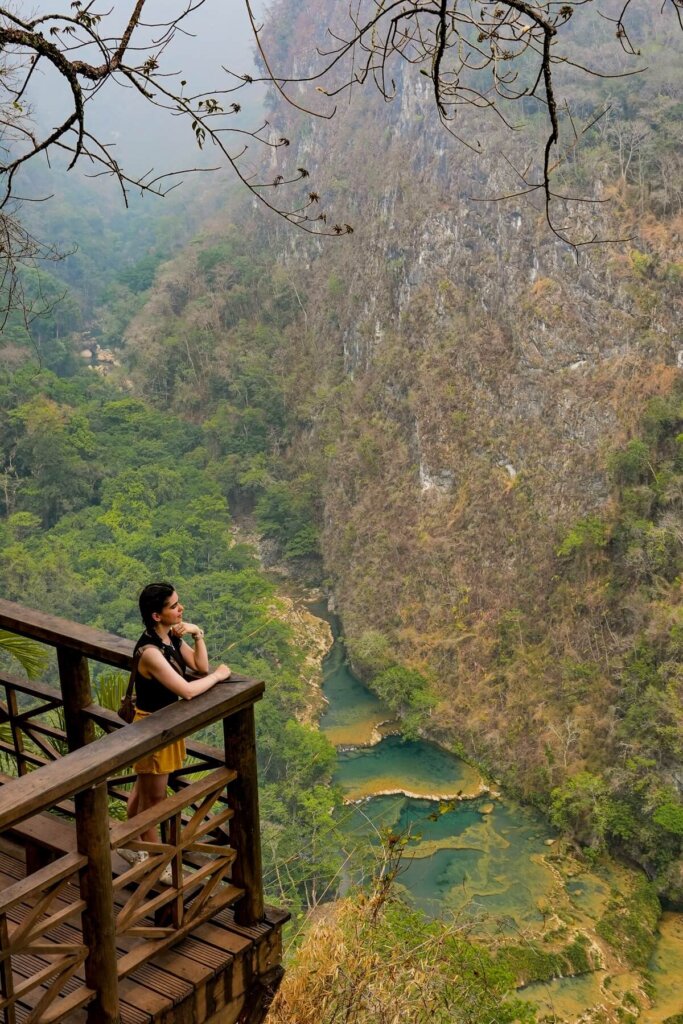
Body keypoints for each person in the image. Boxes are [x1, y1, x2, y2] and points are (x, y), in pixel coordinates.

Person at [120, 582, 231, 878]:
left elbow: (200, 666)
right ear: (157, 615)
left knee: (143, 789)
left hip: (164, 727)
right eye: (174, 606)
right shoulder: (151, 652)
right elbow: (188, 690)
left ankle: (129, 843)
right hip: (153, 729)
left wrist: (197, 634)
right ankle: (160, 863)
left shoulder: (168, 637)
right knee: (153, 801)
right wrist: (221, 677)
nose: (181, 609)